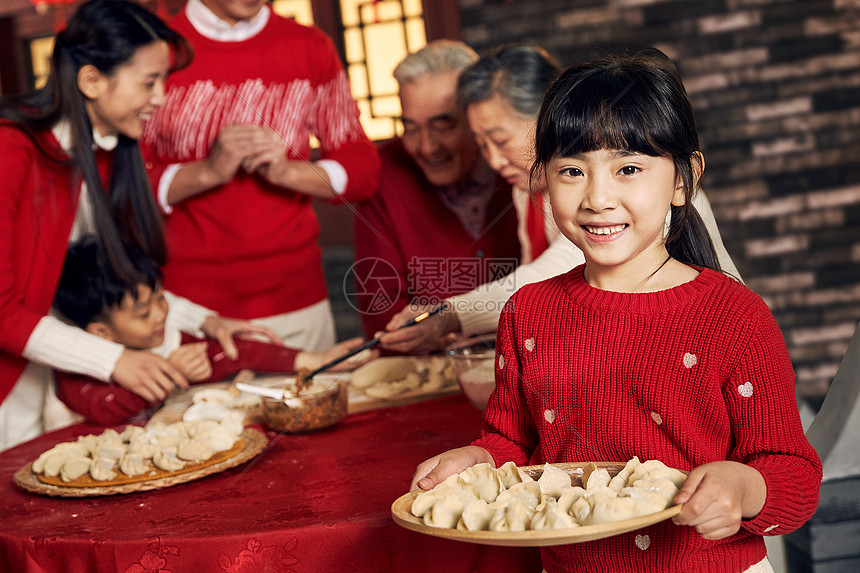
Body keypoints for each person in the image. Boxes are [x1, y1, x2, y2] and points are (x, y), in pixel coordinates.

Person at [409, 48, 821, 572]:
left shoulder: (734, 316)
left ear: (681, 180)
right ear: (544, 179)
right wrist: (478, 460)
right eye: (572, 171)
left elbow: (793, 473)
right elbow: (514, 442)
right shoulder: (527, 313)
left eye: (627, 168)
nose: (598, 198)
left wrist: (743, 487)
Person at [0, 0, 268, 451]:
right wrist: (115, 360)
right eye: (149, 82)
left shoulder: (105, 153)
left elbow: (109, 280)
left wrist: (206, 321)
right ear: (91, 80)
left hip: (50, 375)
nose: (160, 97)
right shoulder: (12, 151)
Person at [380, 43, 740, 355]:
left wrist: (453, 313)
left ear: (546, 117)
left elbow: (554, 273)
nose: (492, 160)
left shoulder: (635, 190)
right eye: (481, 144)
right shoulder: (528, 187)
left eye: (500, 140)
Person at [141, 0, 380, 352]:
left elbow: (363, 169)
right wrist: (207, 172)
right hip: (190, 309)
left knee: (312, 408)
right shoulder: (154, 48)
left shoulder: (309, 46)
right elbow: (114, 183)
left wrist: (287, 171)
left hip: (297, 303)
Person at [53, 238, 371, 426]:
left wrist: (316, 359)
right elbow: (101, 407)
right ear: (101, 333)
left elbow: (239, 352)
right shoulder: (77, 362)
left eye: (161, 298)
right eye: (143, 313)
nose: (161, 314)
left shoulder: (174, 336)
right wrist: (171, 375)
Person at [353, 40, 544, 339]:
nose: (427, 147)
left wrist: (454, 317)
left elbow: (559, 268)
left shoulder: (522, 168)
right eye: (411, 128)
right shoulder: (385, 174)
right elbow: (379, 305)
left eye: (443, 125)